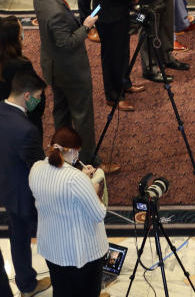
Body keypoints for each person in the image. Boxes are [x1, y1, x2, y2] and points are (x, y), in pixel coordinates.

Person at [33, 0, 111, 169]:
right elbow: (67, 43)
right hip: (70, 70)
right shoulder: (56, 13)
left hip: (52, 66)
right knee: (82, 116)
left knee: (61, 111)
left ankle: (63, 153)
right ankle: (87, 161)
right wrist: (85, 27)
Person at [28, 126, 108, 297]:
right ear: (71, 151)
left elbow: (58, 193)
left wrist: (83, 179)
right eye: (77, 151)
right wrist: (93, 189)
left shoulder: (36, 168)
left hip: (53, 249)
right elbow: (99, 214)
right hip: (81, 254)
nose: (77, 156)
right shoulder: (76, 179)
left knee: (62, 290)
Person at [0, 68, 50, 297]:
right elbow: (39, 170)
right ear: (27, 96)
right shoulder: (27, 130)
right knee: (52, 236)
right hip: (26, 194)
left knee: (17, 238)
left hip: (7, 187)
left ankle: (26, 284)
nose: (39, 101)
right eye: (38, 97)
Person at [0, 16, 45, 136]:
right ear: (15, 39)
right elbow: (34, 101)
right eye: (21, 34)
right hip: (22, 126)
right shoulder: (21, 65)